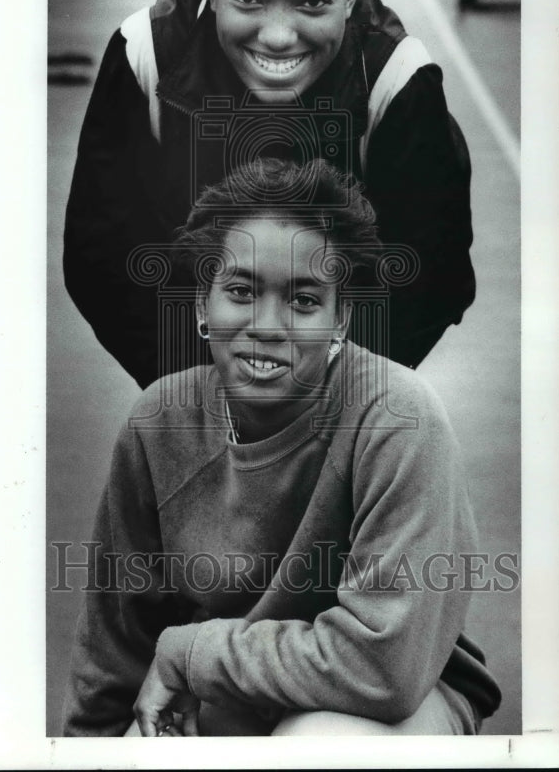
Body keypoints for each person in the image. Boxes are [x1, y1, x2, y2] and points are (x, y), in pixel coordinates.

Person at [61, 158, 500, 737]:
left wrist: (192, 654)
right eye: (240, 291)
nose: (267, 325)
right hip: (227, 696)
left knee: (318, 741)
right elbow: (114, 651)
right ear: (201, 304)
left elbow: (385, 667)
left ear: (342, 317)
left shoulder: (397, 420)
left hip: (388, 706)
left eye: (304, 300)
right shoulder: (157, 424)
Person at [63, 0, 475, 387]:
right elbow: (104, 258)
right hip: (193, 382)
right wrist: (209, 393)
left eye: (312, 1)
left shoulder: (395, 78)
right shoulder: (146, 55)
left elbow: (431, 274)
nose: (278, 37)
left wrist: (317, 399)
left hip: (342, 400)